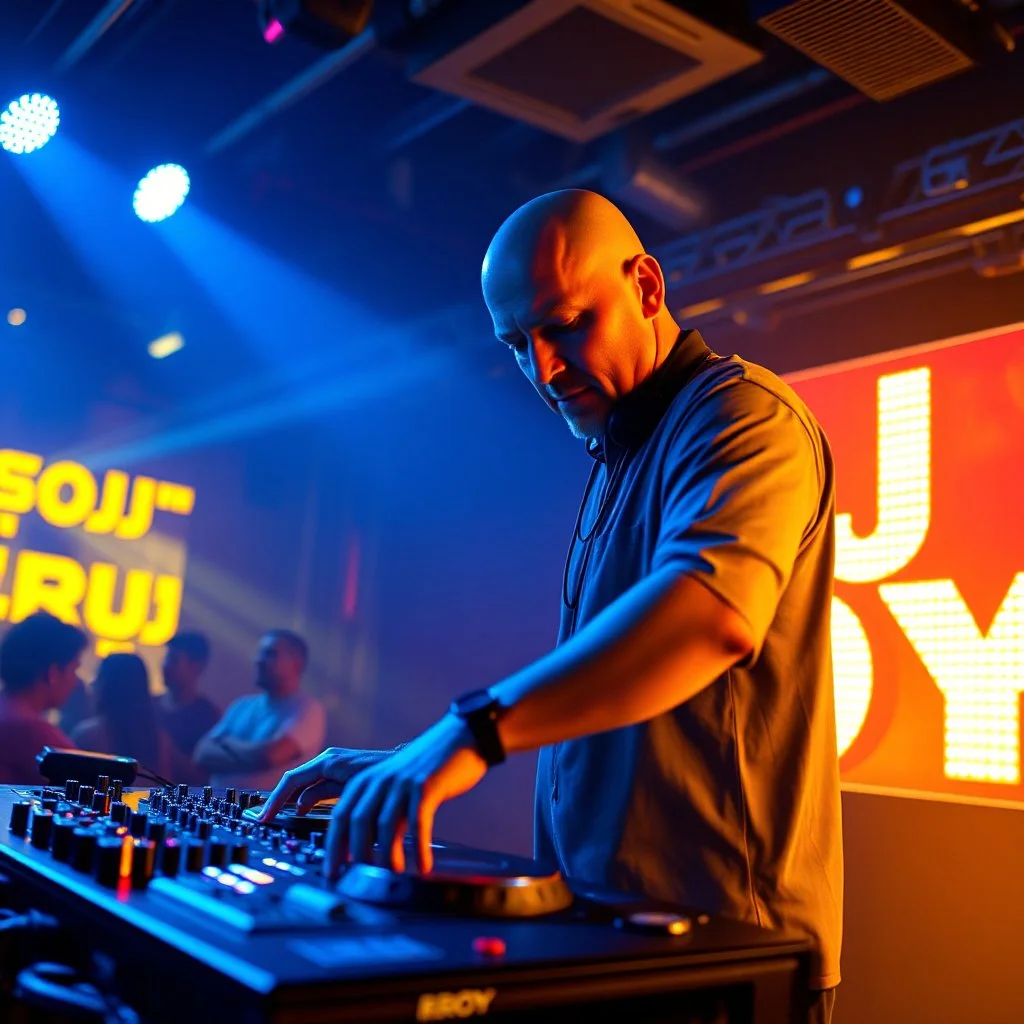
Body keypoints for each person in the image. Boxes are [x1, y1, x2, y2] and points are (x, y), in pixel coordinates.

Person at [258, 190, 842, 1022]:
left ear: (646, 286)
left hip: (729, 949)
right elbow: (614, 701)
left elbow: (710, 616)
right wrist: (411, 760)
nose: (542, 370)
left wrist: (469, 734)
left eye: (563, 326)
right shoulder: (618, 454)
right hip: (617, 934)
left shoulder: (744, 416)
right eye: (515, 344)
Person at [193, 630, 326, 791]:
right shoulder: (241, 705)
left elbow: (272, 756)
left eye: (270, 654)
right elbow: (202, 754)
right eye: (260, 653)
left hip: (265, 807)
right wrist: (255, 756)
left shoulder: (307, 708)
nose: (259, 660)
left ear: (296, 664)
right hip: (217, 803)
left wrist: (226, 743)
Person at [0, 612, 87, 784]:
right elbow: (83, 785)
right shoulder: (31, 732)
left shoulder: (9, 714)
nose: (75, 682)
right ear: (53, 674)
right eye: (74, 670)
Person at [71, 653, 175, 781]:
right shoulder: (159, 738)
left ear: (106, 686)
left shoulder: (88, 735)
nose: (93, 683)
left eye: (98, 677)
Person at [156, 632, 220, 780]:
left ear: (196, 667)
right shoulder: (147, 705)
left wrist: (167, 748)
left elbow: (202, 774)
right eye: (165, 658)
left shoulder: (207, 717)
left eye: (173, 660)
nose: (165, 665)